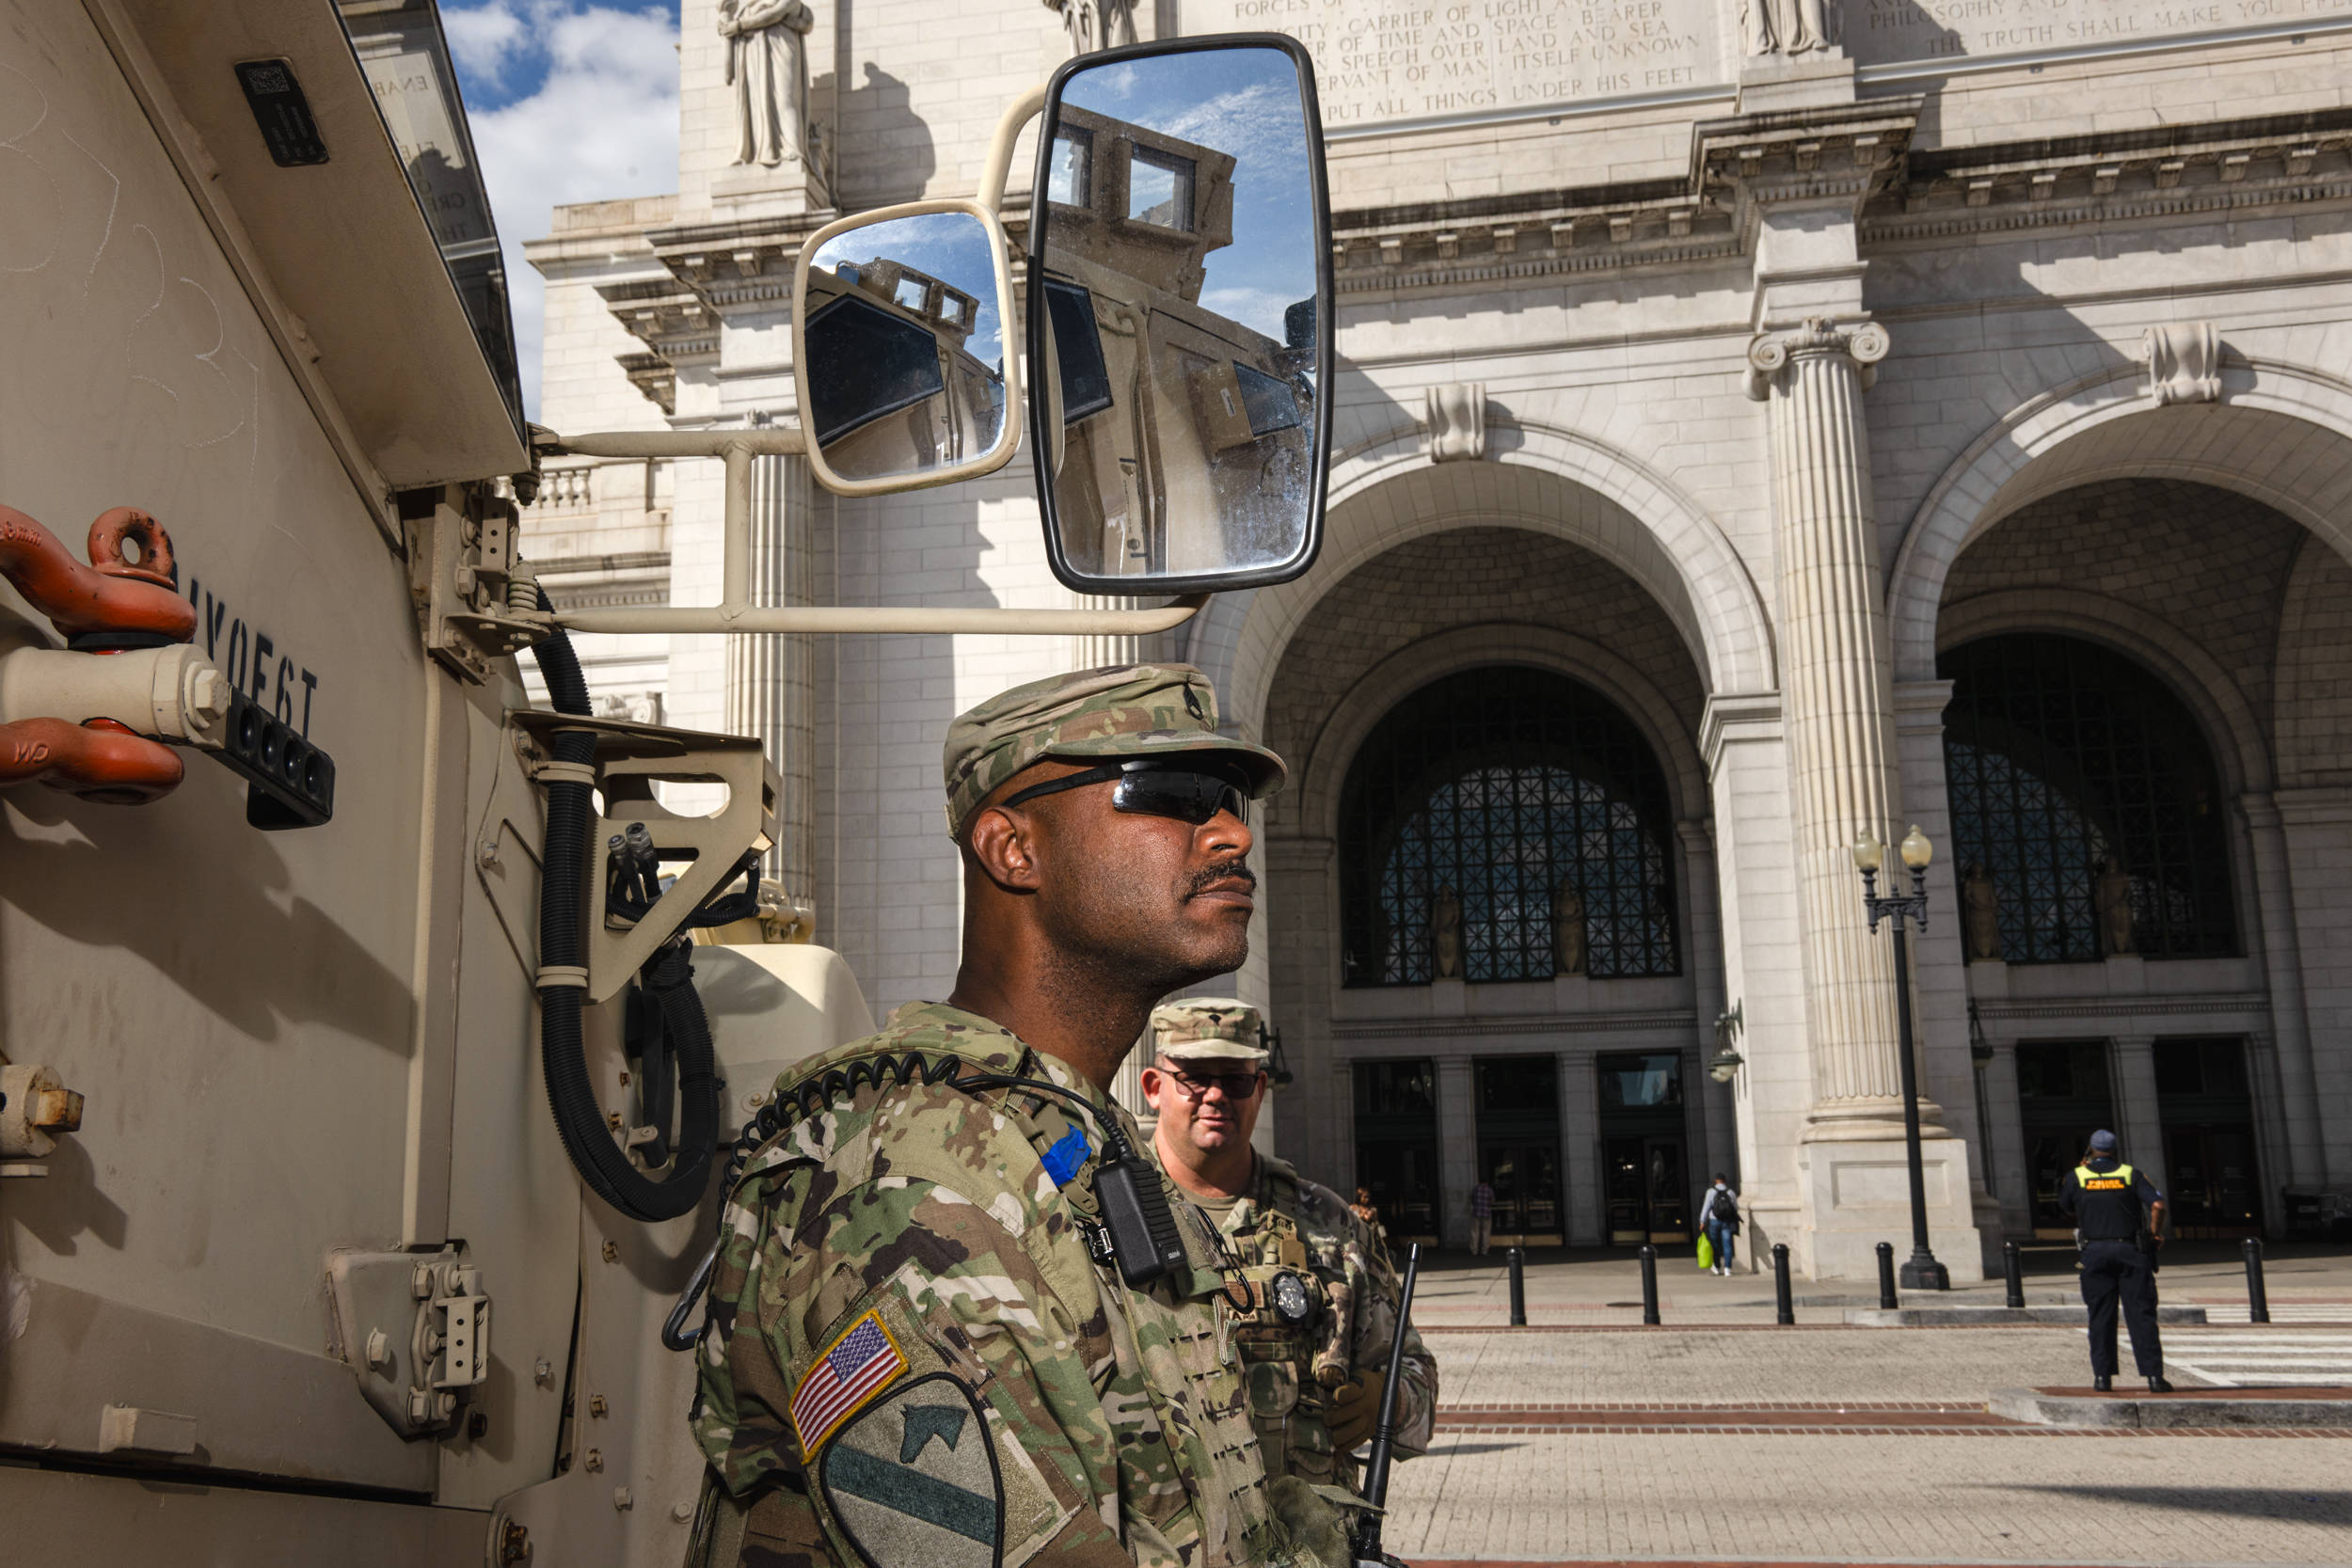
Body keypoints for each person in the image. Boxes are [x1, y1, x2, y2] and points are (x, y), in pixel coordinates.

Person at [688, 664, 1353, 1568]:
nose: (1233, 831)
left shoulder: (1066, 1139)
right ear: (1013, 849)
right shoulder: (916, 1182)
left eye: (1232, 798)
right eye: (1176, 794)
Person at [1142, 998, 1438, 1493]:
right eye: (1194, 1076)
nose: (1215, 1095)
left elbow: (1418, 1376)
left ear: (1259, 1090)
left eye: (1235, 1079)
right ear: (1155, 1088)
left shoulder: (1327, 1223)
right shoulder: (1106, 1217)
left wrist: (1383, 1399)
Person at [2058, 1129, 2174, 1393]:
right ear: (2114, 1150)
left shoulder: (2077, 1176)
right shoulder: (2130, 1174)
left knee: (2100, 1316)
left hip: (2094, 1252)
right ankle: (2154, 1378)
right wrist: (2155, 1234)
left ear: (2091, 1149)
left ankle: (2102, 1378)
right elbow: (2158, 1206)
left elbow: (2065, 1206)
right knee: (2142, 1315)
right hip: (2130, 1250)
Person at [1700, 1173, 1740, 1276]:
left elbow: (1706, 1207)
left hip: (1714, 1221)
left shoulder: (1711, 1192)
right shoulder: (1730, 1192)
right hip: (1727, 1221)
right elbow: (1735, 1208)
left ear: (1715, 1180)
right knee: (1727, 1245)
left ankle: (1717, 1267)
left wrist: (1702, 1221)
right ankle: (1727, 1268)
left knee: (1715, 1244)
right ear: (1724, 1180)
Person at [1469, 1178, 1495, 1256]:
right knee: (1486, 1232)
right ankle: (1484, 1250)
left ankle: (1474, 1250)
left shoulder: (1475, 1189)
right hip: (1486, 1213)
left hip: (1476, 1212)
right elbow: (1492, 1201)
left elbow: (1472, 1200)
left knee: (1474, 1232)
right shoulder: (1489, 1190)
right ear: (1486, 1182)